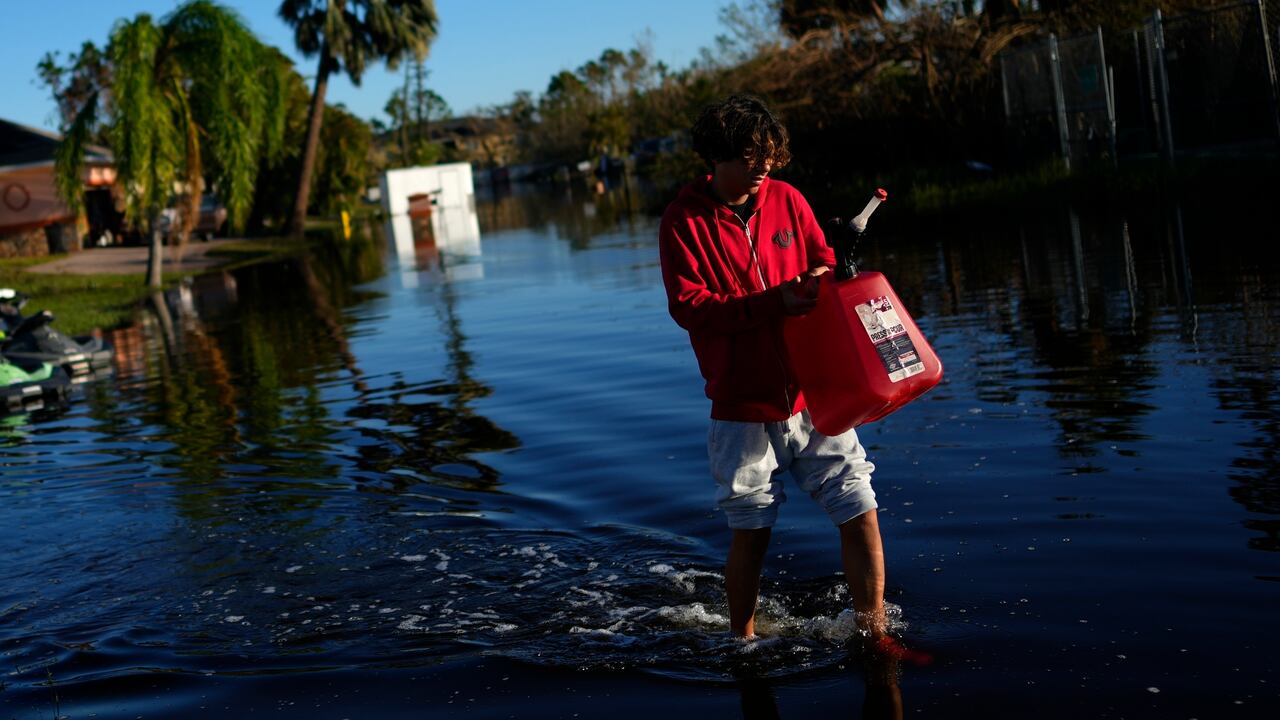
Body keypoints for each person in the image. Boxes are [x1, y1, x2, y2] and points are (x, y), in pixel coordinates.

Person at [658, 94, 889, 644]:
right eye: (749, 156)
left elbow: (823, 260)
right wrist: (773, 302)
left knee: (861, 508)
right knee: (752, 534)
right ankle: (743, 641)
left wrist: (825, 269)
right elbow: (688, 307)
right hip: (741, 405)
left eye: (768, 155)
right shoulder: (682, 221)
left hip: (814, 393)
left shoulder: (787, 198)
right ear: (715, 157)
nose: (763, 167)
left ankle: (875, 633)